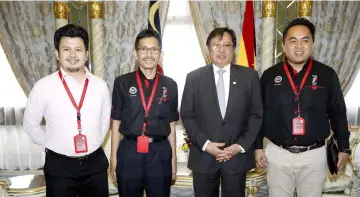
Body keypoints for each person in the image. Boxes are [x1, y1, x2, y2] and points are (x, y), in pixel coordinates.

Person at [255, 18, 351, 197]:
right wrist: (258, 146)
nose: (299, 46)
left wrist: (344, 148)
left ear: (313, 43)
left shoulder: (327, 75)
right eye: (293, 41)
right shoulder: (269, 76)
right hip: (278, 154)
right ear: (284, 45)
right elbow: (259, 113)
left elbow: (338, 113)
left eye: (305, 40)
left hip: (314, 155)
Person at [23, 24, 111, 197]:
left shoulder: (100, 86)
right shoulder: (43, 86)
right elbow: (30, 124)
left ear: (86, 53)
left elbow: (105, 122)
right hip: (59, 167)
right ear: (57, 53)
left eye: (78, 49)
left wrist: (93, 144)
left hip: (95, 165)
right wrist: (49, 147)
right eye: (66, 49)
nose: (72, 55)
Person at [180, 27, 263, 197]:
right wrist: (206, 145)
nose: (222, 50)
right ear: (208, 49)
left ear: (234, 49)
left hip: (236, 158)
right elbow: (187, 115)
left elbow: (256, 115)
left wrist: (240, 146)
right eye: (216, 45)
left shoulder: (250, 77)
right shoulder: (193, 78)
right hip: (203, 158)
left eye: (227, 45)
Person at [110, 29, 178, 197]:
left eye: (154, 49)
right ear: (135, 53)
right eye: (144, 49)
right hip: (130, 151)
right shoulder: (122, 83)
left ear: (160, 54)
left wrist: (173, 158)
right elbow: (116, 121)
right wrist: (114, 157)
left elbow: (171, 123)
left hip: (160, 152)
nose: (149, 54)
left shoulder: (170, 85)